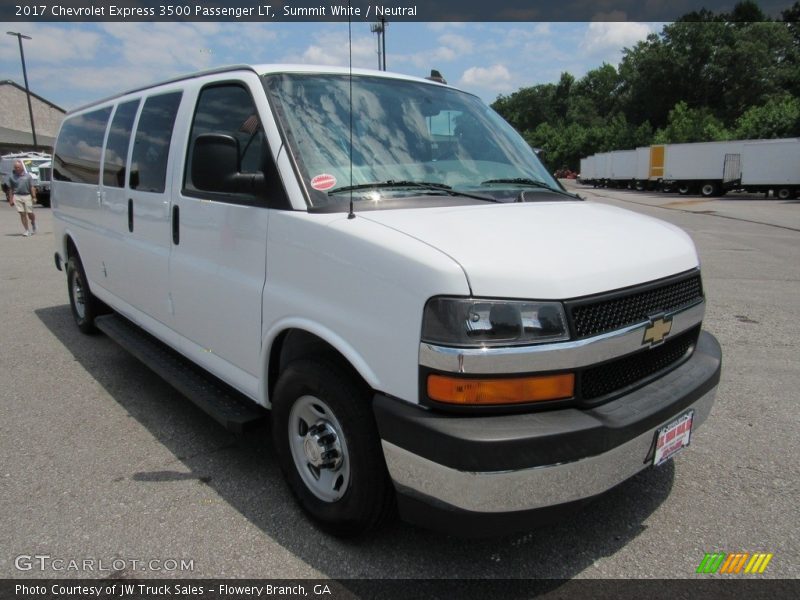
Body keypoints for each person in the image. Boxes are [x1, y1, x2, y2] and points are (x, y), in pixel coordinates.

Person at [7, 160, 37, 237]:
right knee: (22, 213)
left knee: (30, 213)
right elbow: (10, 189)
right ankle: (27, 230)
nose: (17, 169)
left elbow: (32, 187)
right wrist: (11, 199)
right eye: (15, 167)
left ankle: (33, 222)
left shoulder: (28, 176)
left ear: (22, 167)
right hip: (17, 196)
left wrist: (34, 197)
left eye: (18, 167)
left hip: (27, 195)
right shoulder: (12, 177)